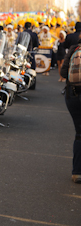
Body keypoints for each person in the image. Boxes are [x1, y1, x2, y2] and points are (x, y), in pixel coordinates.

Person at [61, 36, 81, 183]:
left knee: (79, 133)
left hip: (72, 95)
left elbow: (63, 73)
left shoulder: (74, 49)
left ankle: (77, 172)